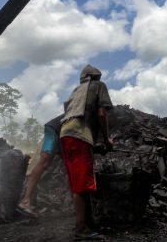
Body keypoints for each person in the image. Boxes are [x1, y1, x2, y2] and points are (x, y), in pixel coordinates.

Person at [60, 65, 113, 241]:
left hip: (65, 134)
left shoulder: (76, 91)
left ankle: (86, 223)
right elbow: (101, 114)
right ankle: (81, 229)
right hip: (79, 136)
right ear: (95, 77)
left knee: (77, 184)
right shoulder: (99, 86)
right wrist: (107, 140)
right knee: (83, 185)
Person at [17, 113, 64, 216]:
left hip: (61, 134)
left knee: (46, 164)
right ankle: (25, 201)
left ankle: (28, 200)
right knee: (43, 162)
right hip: (53, 130)